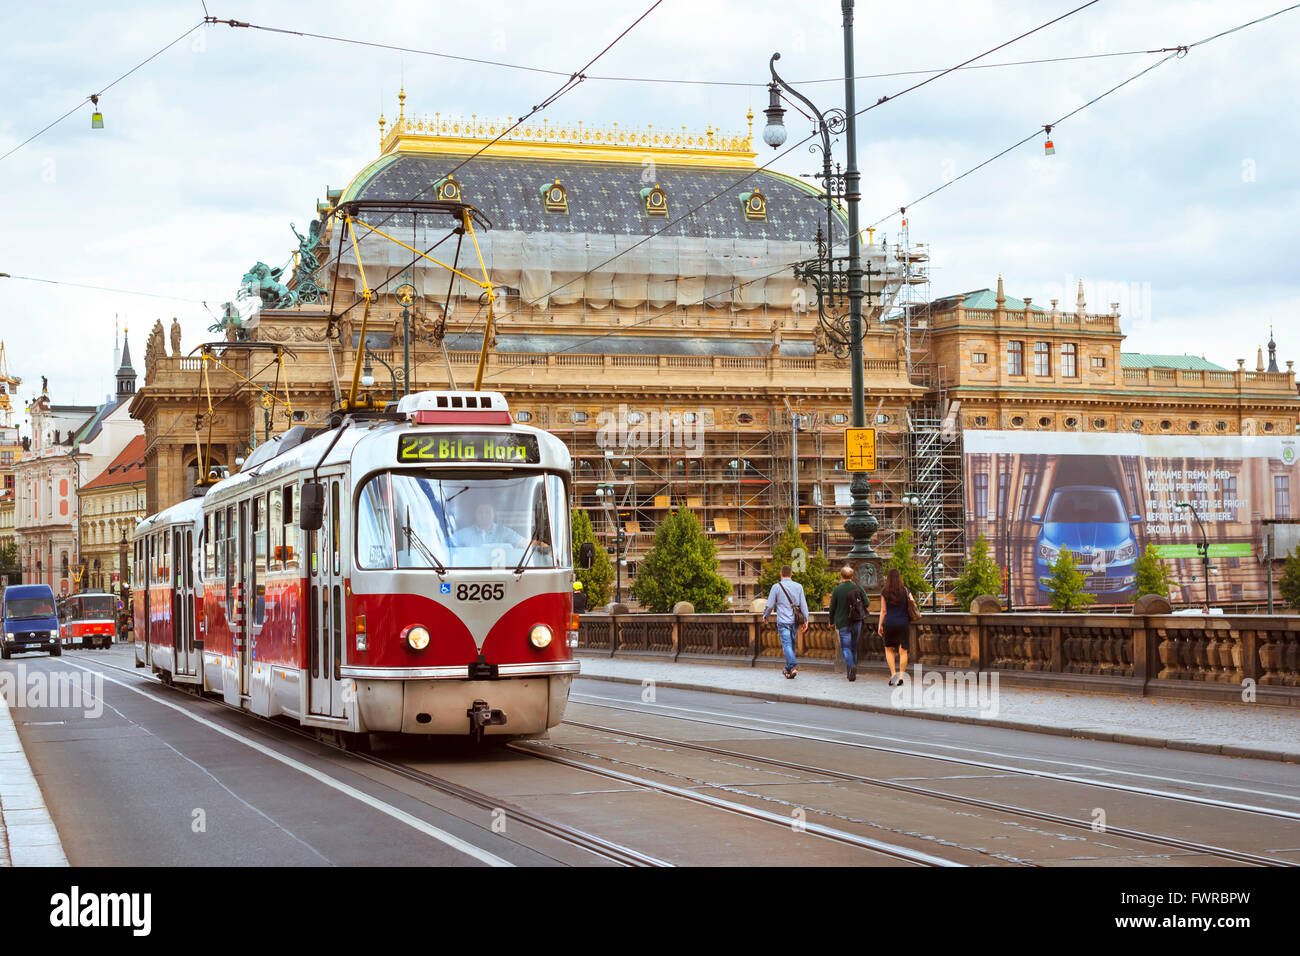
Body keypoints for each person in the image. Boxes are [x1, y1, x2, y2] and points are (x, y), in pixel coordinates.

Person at [763, 565, 808, 679]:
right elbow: (803, 605)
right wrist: (806, 620)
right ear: (791, 574)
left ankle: (792, 666)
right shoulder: (799, 586)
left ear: (781, 574)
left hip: (783, 621)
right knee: (791, 645)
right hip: (795, 621)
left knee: (787, 645)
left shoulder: (776, 587)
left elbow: (769, 605)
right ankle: (788, 670)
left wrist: (765, 616)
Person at [828, 565, 870, 681]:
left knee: (846, 648)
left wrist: (831, 621)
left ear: (841, 576)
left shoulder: (837, 590)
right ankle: (851, 673)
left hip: (843, 622)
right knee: (854, 648)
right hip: (856, 621)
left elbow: (832, 608)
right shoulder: (858, 588)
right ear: (852, 576)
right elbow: (867, 603)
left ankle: (851, 668)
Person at [877, 568, 915, 686]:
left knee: (889, 649)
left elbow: (883, 610)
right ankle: (901, 677)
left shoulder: (885, 592)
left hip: (890, 623)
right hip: (903, 623)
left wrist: (880, 625)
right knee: (903, 651)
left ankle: (893, 674)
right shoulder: (905, 590)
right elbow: (913, 603)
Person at [452, 503, 526, 547]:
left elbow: (524, 543)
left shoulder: (504, 531)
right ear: (475, 515)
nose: (484, 515)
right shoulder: (465, 533)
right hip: (472, 571)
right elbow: (444, 544)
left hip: (499, 572)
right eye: (480, 512)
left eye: (488, 512)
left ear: (494, 515)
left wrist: (537, 544)